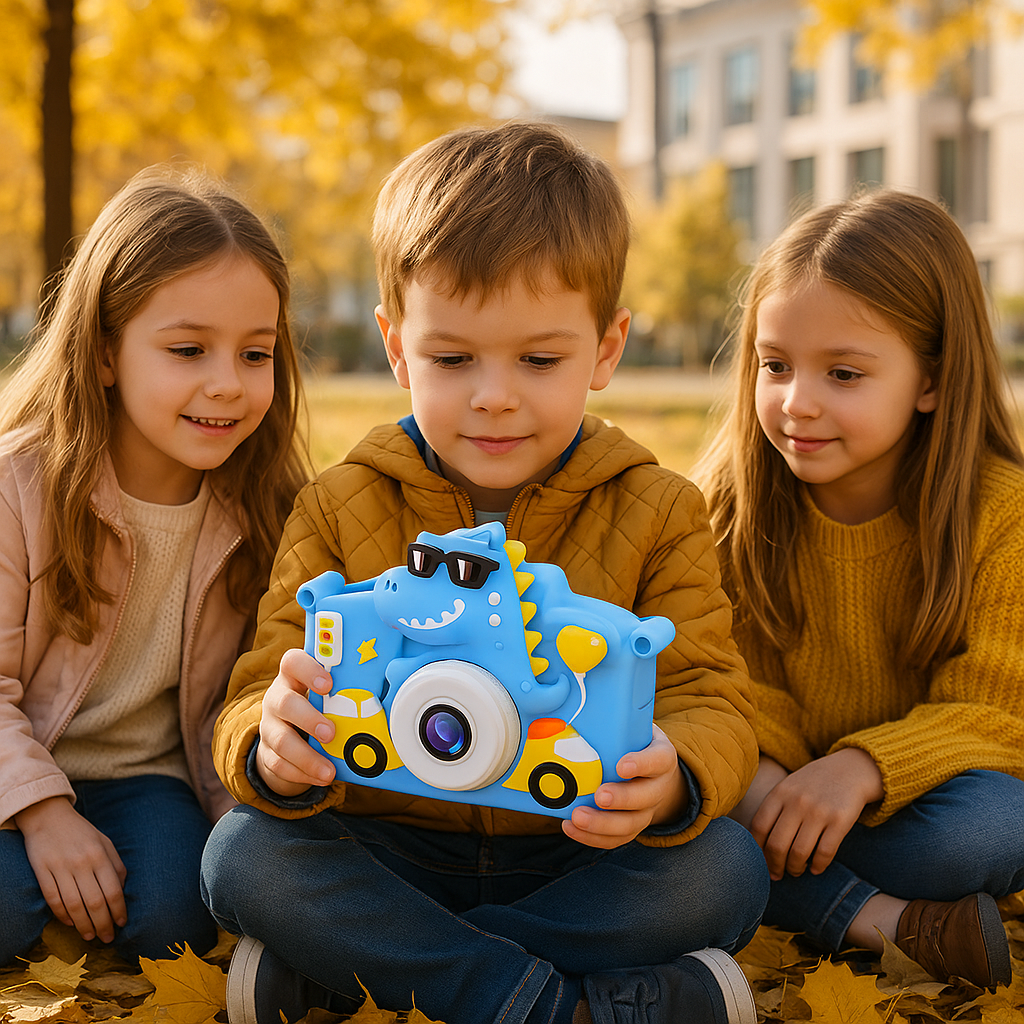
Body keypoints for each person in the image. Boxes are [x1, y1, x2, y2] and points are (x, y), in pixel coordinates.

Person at [201, 121, 768, 1024]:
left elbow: (713, 696)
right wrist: (272, 742)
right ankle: (559, 1007)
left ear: (607, 348)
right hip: (390, 841)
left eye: (539, 360)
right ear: (397, 347)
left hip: (577, 848)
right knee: (241, 857)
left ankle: (370, 974)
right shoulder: (339, 504)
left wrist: (672, 779)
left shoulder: (657, 509)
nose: (494, 396)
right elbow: (261, 684)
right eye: (452, 359)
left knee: (724, 870)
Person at [694, 188, 1024, 990]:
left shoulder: (1002, 514)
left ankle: (774, 886)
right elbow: (726, 687)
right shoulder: (727, 509)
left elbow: (997, 713)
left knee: (985, 831)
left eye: (843, 373)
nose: (796, 402)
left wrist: (862, 767)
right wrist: (769, 785)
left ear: (931, 380)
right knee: (694, 801)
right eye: (775, 365)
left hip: (926, 803)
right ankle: (890, 922)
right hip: (772, 792)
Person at [0, 166, 309, 966]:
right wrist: (42, 813)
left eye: (255, 353)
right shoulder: (17, 487)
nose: (227, 384)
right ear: (105, 352)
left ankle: (76, 905)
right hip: (15, 766)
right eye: (187, 350)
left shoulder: (267, 503)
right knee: (5, 905)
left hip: (151, 777)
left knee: (176, 920)